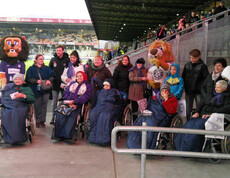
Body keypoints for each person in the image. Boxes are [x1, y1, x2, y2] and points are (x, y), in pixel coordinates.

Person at [174, 80, 230, 152]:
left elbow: (226, 108)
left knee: (198, 125)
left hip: (215, 117)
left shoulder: (227, 97)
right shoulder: (210, 94)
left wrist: (212, 114)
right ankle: (179, 146)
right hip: (203, 115)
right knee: (190, 123)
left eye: (218, 88)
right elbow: (201, 103)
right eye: (216, 87)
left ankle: (190, 148)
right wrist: (197, 111)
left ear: (224, 88)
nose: (216, 89)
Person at [127, 83, 178, 149]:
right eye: (163, 91)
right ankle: (134, 144)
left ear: (169, 92)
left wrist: (166, 100)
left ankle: (147, 146)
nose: (164, 93)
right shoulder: (155, 97)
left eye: (166, 91)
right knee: (140, 120)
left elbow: (171, 111)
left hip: (160, 117)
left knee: (151, 123)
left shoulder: (172, 99)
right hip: (150, 114)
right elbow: (149, 107)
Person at [53, 71, 92, 140]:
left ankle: (68, 135)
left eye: (81, 76)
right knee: (60, 113)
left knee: (71, 114)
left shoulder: (87, 86)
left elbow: (86, 96)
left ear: (84, 77)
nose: (79, 77)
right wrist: (68, 101)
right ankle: (58, 135)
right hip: (68, 102)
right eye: (78, 76)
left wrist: (74, 101)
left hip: (78, 104)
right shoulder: (72, 83)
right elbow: (66, 93)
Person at [1, 73, 35, 144]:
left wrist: (23, 95)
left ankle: (18, 137)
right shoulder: (9, 87)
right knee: (5, 113)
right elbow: (3, 98)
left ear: (22, 80)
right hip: (8, 106)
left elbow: (32, 99)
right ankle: (7, 136)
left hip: (21, 106)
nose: (17, 80)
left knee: (15, 114)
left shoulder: (27, 88)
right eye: (16, 79)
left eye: (19, 79)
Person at [88, 78, 122, 146]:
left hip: (109, 108)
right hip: (99, 107)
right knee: (93, 114)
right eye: (104, 85)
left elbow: (119, 103)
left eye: (107, 85)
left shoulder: (115, 92)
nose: (105, 87)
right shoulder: (99, 92)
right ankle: (93, 139)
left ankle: (104, 140)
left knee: (105, 116)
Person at [26, 54, 55, 128]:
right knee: (37, 106)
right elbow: (28, 78)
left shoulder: (47, 68)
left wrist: (49, 80)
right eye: (40, 59)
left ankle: (42, 121)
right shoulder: (31, 69)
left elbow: (52, 75)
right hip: (36, 90)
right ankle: (38, 121)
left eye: (42, 59)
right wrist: (36, 81)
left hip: (45, 90)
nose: (41, 60)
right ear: (36, 60)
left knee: (44, 106)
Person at [182, 49, 209, 121]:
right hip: (189, 90)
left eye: (194, 58)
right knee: (188, 107)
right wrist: (185, 86)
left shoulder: (203, 66)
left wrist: (202, 88)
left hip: (198, 91)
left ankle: (198, 122)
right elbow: (183, 76)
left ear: (198, 57)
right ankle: (188, 121)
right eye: (191, 57)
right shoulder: (187, 65)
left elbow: (206, 79)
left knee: (199, 107)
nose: (192, 59)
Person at [49, 45, 70, 124]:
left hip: (65, 84)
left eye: (59, 51)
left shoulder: (67, 60)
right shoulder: (53, 60)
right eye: (57, 50)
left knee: (65, 101)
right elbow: (50, 70)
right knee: (54, 102)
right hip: (55, 84)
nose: (58, 52)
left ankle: (63, 117)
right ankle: (53, 117)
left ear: (63, 51)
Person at [128, 57, 147, 122]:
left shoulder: (144, 69)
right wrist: (141, 78)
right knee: (134, 109)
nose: (139, 65)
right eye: (138, 63)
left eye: (141, 63)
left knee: (143, 109)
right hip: (134, 92)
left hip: (142, 91)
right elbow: (131, 78)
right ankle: (135, 122)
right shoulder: (132, 70)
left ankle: (142, 122)